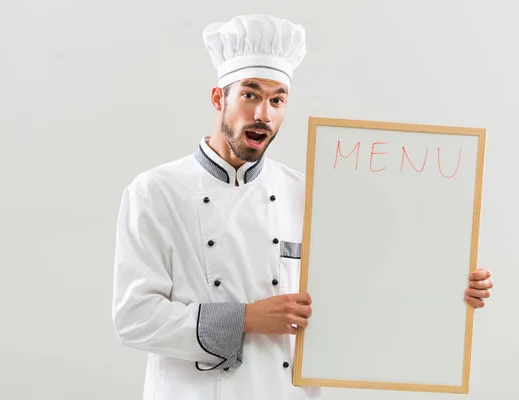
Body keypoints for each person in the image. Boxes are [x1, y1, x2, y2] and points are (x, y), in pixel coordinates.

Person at [111, 14, 494, 400]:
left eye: (277, 99)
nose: (264, 114)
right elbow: (134, 319)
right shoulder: (155, 192)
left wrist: (450, 288)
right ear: (218, 98)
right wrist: (245, 319)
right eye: (250, 94)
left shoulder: (307, 194)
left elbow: (365, 288)